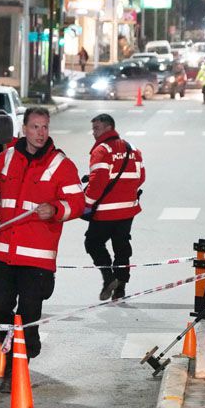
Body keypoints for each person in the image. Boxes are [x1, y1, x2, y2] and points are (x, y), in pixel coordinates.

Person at [0, 106, 85, 393]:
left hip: (36, 258)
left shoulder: (61, 165)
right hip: (2, 252)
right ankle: (28, 340)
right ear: (24, 129)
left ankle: (16, 369)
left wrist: (57, 209)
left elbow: (78, 202)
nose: (40, 133)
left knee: (27, 313)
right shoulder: (6, 158)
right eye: (35, 127)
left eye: (45, 127)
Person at [83, 114, 145, 301]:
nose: (94, 133)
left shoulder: (102, 150)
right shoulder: (132, 149)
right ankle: (120, 289)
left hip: (105, 211)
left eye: (97, 128)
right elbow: (141, 177)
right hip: (128, 210)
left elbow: (98, 182)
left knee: (93, 243)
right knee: (122, 247)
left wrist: (86, 204)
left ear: (109, 127)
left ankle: (109, 278)